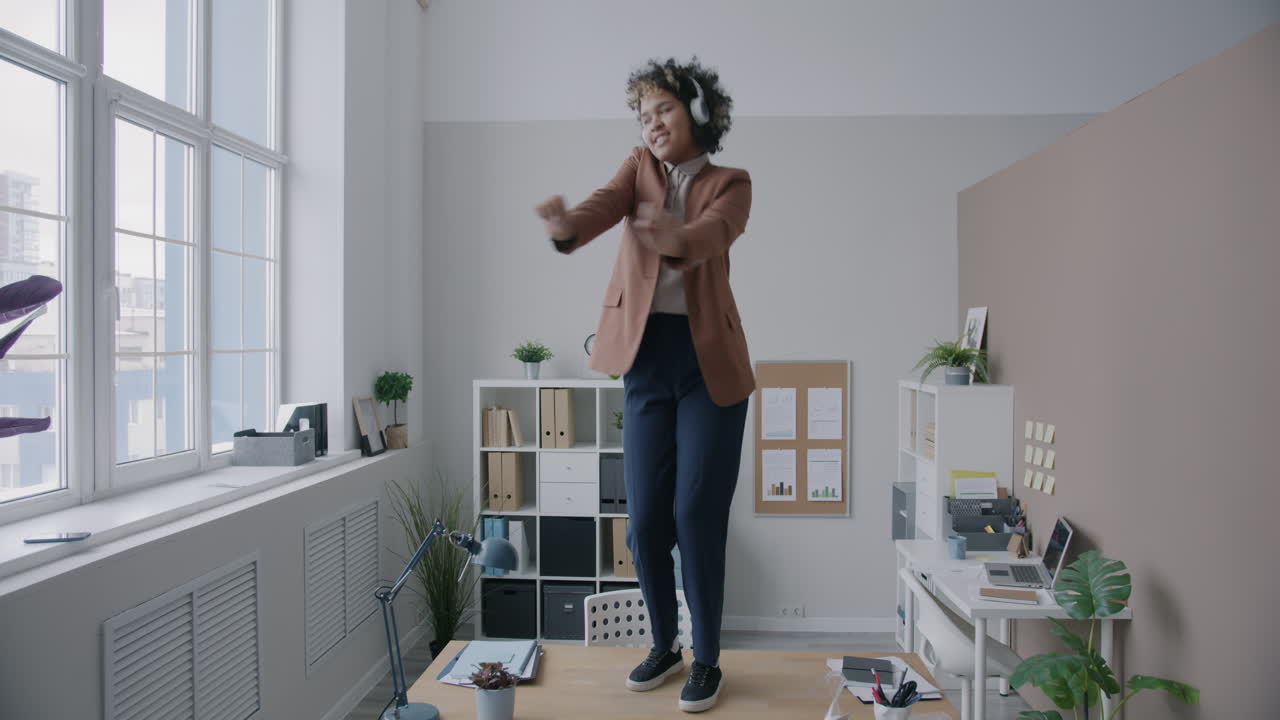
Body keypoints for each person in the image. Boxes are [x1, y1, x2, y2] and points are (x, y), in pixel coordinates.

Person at [535, 57, 753, 713]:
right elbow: (601, 209)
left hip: (710, 367)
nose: (652, 123)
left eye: (663, 109)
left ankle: (708, 659)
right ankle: (665, 646)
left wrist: (675, 234)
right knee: (646, 523)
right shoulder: (637, 169)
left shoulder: (730, 182)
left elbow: (715, 234)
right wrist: (564, 226)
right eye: (643, 114)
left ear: (696, 112)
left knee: (696, 516)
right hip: (646, 363)